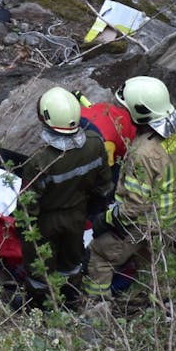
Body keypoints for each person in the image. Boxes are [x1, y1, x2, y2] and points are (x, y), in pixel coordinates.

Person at [85, 76, 176, 302]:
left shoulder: (142, 153)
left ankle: (95, 313)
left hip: (142, 225)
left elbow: (134, 205)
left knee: (100, 255)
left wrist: (106, 219)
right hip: (172, 219)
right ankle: (163, 311)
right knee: (156, 267)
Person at [18, 87, 114, 296]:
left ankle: (40, 306)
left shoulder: (39, 162)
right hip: (77, 215)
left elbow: (27, 207)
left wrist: (25, 230)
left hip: (46, 220)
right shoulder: (95, 144)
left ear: (45, 119)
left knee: (39, 267)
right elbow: (104, 185)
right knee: (71, 261)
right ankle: (70, 298)